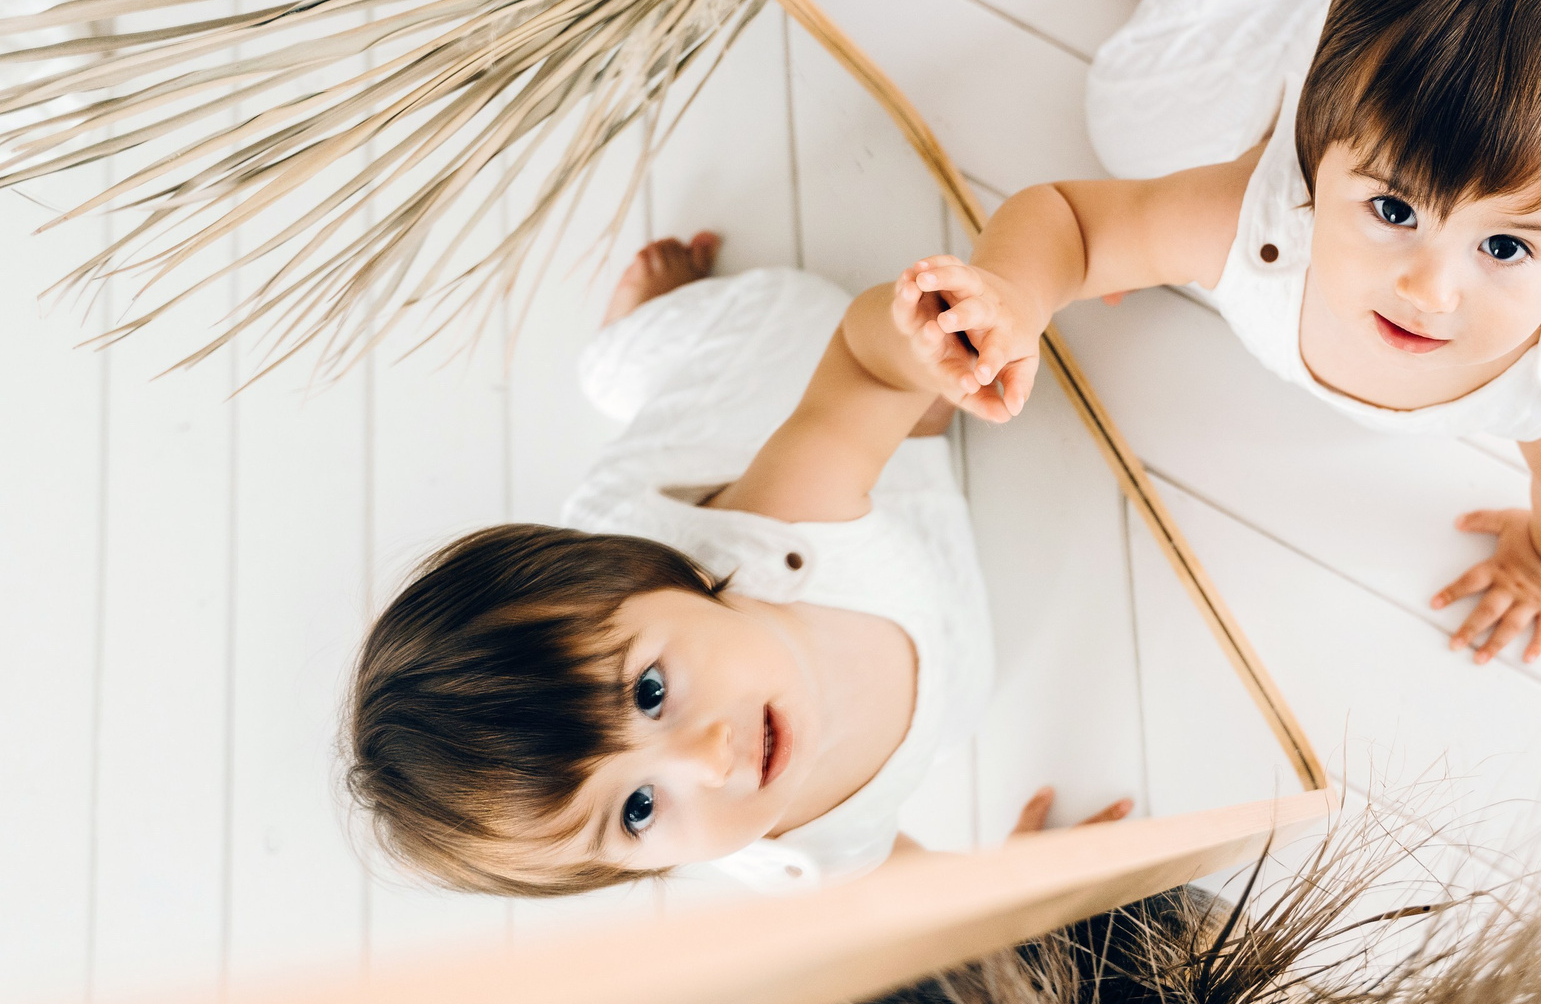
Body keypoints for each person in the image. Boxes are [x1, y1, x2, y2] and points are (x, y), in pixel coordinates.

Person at [895, 0, 1541, 666]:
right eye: (1393, 209)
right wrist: (1016, 294)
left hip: (1365, 102)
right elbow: (1070, 223)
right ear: (1313, 161)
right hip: (1264, 78)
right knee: (1122, 120)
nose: (1430, 290)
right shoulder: (1242, 215)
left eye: (1505, 246)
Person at [345, 234, 1130, 898]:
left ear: (656, 579)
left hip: (756, 400)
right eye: (639, 812)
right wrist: (1022, 890)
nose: (709, 759)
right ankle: (910, 440)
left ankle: (642, 334)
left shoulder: (775, 527)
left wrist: (918, 346)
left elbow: (865, 361)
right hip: (924, 597)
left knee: (813, 342)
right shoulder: (789, 850)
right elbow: (911, 890)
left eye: (650, 692)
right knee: (922, 448)